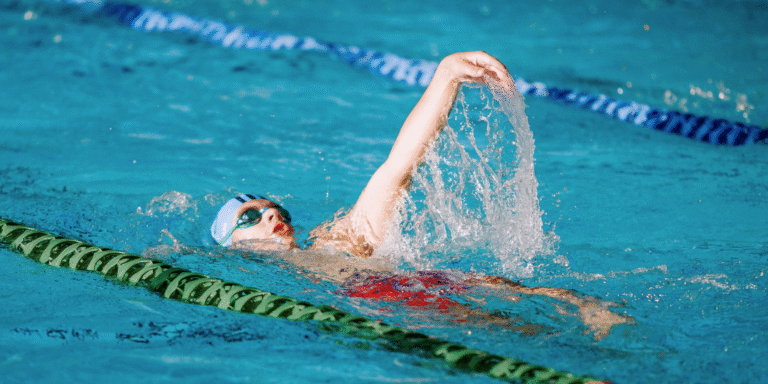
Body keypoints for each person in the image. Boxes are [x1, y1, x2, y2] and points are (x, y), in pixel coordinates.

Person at [209, 51, 631, 339]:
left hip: (413, 292)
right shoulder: (231, 277)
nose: (268, 216)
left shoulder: (338, 238)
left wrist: (446, 75)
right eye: (249, 217)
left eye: (272, 209)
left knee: (520, 307)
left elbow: (398, 168)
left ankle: (587, 307)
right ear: (231, 245)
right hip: (401, 309)